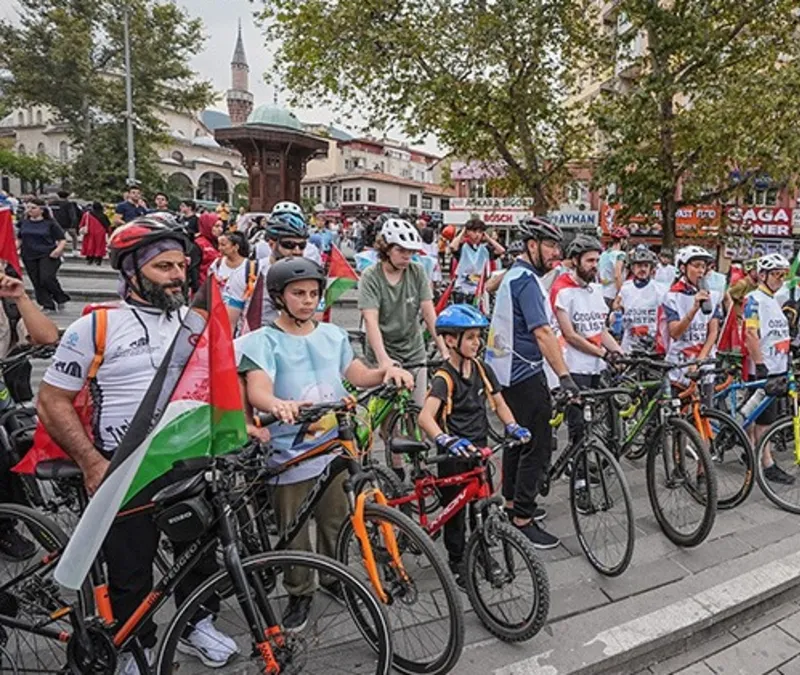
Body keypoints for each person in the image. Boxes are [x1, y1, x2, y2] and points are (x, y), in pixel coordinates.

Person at [38, 218, 238, 671]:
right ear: (131, 271)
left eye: (181, 265)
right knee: (130, 569)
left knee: (197, 554)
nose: (177, 275)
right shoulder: (96, 327)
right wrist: (91, 462)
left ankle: (196, 625)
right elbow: (51, 401)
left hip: (187, 460)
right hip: (125, 467)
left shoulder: (194, 323)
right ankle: (136, 645)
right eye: (163, 266)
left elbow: (219, 383)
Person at [238, 257, 413, 631]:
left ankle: (335, 577)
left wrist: (386, 371)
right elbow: (257, 388)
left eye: (313, 293)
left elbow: (357, 374)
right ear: (279, 297)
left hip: (333, 448)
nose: (307, 301)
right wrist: (276, 404)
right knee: (294, 529)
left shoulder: (333, 336)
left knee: (336, 519)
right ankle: (299, 592)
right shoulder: (263, 341)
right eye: (298, 293)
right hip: (288, 451)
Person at [417, 304, 529, 585]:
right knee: (455, 511)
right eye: (470, 337)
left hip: (479, 451)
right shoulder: (444, 378)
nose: (477, 343)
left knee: (483, 506)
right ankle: (456, 560)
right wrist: (445, 439)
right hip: (454, 455)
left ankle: (481, 552)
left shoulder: (482, 368)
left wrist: (512, 426)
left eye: (479, 337)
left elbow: (499, 404)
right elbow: (425, 417)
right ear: (450, 340)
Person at [486, 217, 577, 549]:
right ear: (532, 245)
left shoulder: (516, 275)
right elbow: (542, 332)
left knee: (517, 440)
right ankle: (522, 519)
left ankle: (512, 504)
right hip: (522, 371)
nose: (555, 253)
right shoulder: (525, 281)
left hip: (505, 371)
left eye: (557, 246)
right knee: (536, 445)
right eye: (550, 245)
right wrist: (565, 377)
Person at [0, 271, 59, 558]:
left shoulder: (6, 304)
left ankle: (7, 522)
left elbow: (46, 337)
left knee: (12, 446)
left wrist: (20, 297)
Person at [359, 217, 447, 405]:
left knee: (418, 407)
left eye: (411, 252)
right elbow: (370, 320)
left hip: (413, 351)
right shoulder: (371, 276)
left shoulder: (417, 271)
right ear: (386, 249)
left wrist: (444, 350)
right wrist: (383, 360)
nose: (407, 256)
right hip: (383, 350)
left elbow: (429, 314)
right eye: (401, 250)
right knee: (382, 410)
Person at [552, 235, 622, 448]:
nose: (594, 266)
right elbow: (570, 335)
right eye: (590, 261)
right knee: (578, 427)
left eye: (597, 261)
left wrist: (619, 352)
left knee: (596, 423)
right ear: (575, 260)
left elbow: (600, 329)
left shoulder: (596, 288)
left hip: (595, 367)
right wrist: (603, 353)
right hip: (573, 366)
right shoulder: (562, 289)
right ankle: (575, 464)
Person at [742, 253, 798, 485]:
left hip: (778, 367)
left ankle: (750, 451)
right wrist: (760, 364)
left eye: (783, 275)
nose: (780, 280)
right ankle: (767, 464)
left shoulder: (774, 299)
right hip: (762, 369)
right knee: (762, 419)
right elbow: (750, 333)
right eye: (776, 275)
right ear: (762, 275)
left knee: (756, 416)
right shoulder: (754, 299)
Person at [223, 205, 308, 334]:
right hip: (253, 342)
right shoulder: (247, 272)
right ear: (272, 244)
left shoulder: (311, 277)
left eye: (302, 245)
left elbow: (315, 324)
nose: (297, 251)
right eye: (288, 245)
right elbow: (228, 324)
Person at [661, 246, 722, 378]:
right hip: (679, 362)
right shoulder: (671, 296)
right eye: (696, 266)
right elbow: (675, 333)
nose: (701, 271)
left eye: (703, 266)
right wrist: (694, 309)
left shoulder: (713, 295)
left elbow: (713, 332)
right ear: (683, 268)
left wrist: (699, 361)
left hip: (704, 363)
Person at [16, 198, 70, 312]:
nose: (29, 210)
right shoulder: (24, 222)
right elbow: (19, 239)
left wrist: (58, 250)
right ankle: (47, 304)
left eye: (33, 208)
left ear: (41, 210)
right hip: (28, 254)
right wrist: (13, 249)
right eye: (28, 207)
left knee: (46, 278)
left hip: (48, 254)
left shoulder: (50, 223)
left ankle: (60, 297)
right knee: (36, 281)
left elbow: (62, 239)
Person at [615, 246, 665, 353]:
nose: (642, 269)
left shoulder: (660, 289)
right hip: (630, 342)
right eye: (639, 265)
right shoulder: (626, 287)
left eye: (646, 266)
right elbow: (617, 305)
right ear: (633, 268)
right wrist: (617, 314)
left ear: (651, 268)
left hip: (651, 342)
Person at [449, 219, 504, 305]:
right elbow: (452, 246)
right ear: (468, 232)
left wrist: (488, 238)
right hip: (462, 289)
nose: (477, 234)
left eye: (480, 232)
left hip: (479, 289)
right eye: (474, 231)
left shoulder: (485, 249)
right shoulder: (463, 247)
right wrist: (463, 232)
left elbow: (501, 250)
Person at [598, 227, 628, 308]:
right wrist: (620, 294)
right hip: (612, 295)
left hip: (601, 293)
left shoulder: (603, 254)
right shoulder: (620, 255)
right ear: (621, 240)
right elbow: (617, 275)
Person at [193, 212, 223, 287]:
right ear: (208, 226)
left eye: (221, 226)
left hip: (217, 285)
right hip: (203, 286)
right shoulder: (199, 244)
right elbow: (194, 271)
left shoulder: (220, 243)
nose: (220, 229)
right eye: (216, 226)